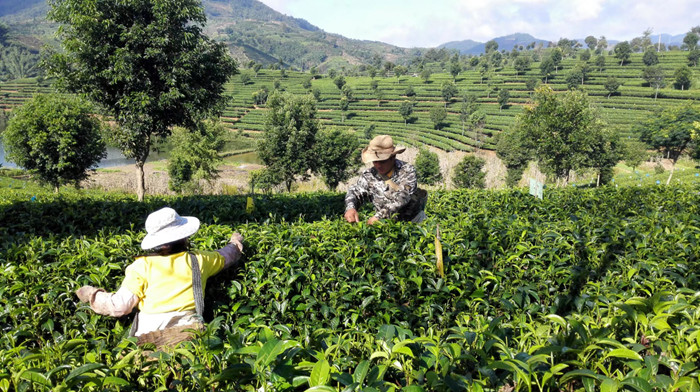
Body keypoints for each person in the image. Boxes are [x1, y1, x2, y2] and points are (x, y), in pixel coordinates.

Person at [75, 207, 244, 344]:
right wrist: (235, 242)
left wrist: (92, 295)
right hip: (189, 333)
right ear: (184, 237)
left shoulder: (141, 266)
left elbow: (120, 306)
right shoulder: (199, 260)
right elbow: (227, 255)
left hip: (150, 336)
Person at [344, 135, 427, 225]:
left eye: (382, 161)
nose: (378, 165)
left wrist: (379, 216)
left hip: (413, 221)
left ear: (393, 158)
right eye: (375, 161)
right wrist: (350, 208)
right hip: (385, 225)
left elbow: (403, 197)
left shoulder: (407, 171)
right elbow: (355, 191)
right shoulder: (369, 175)